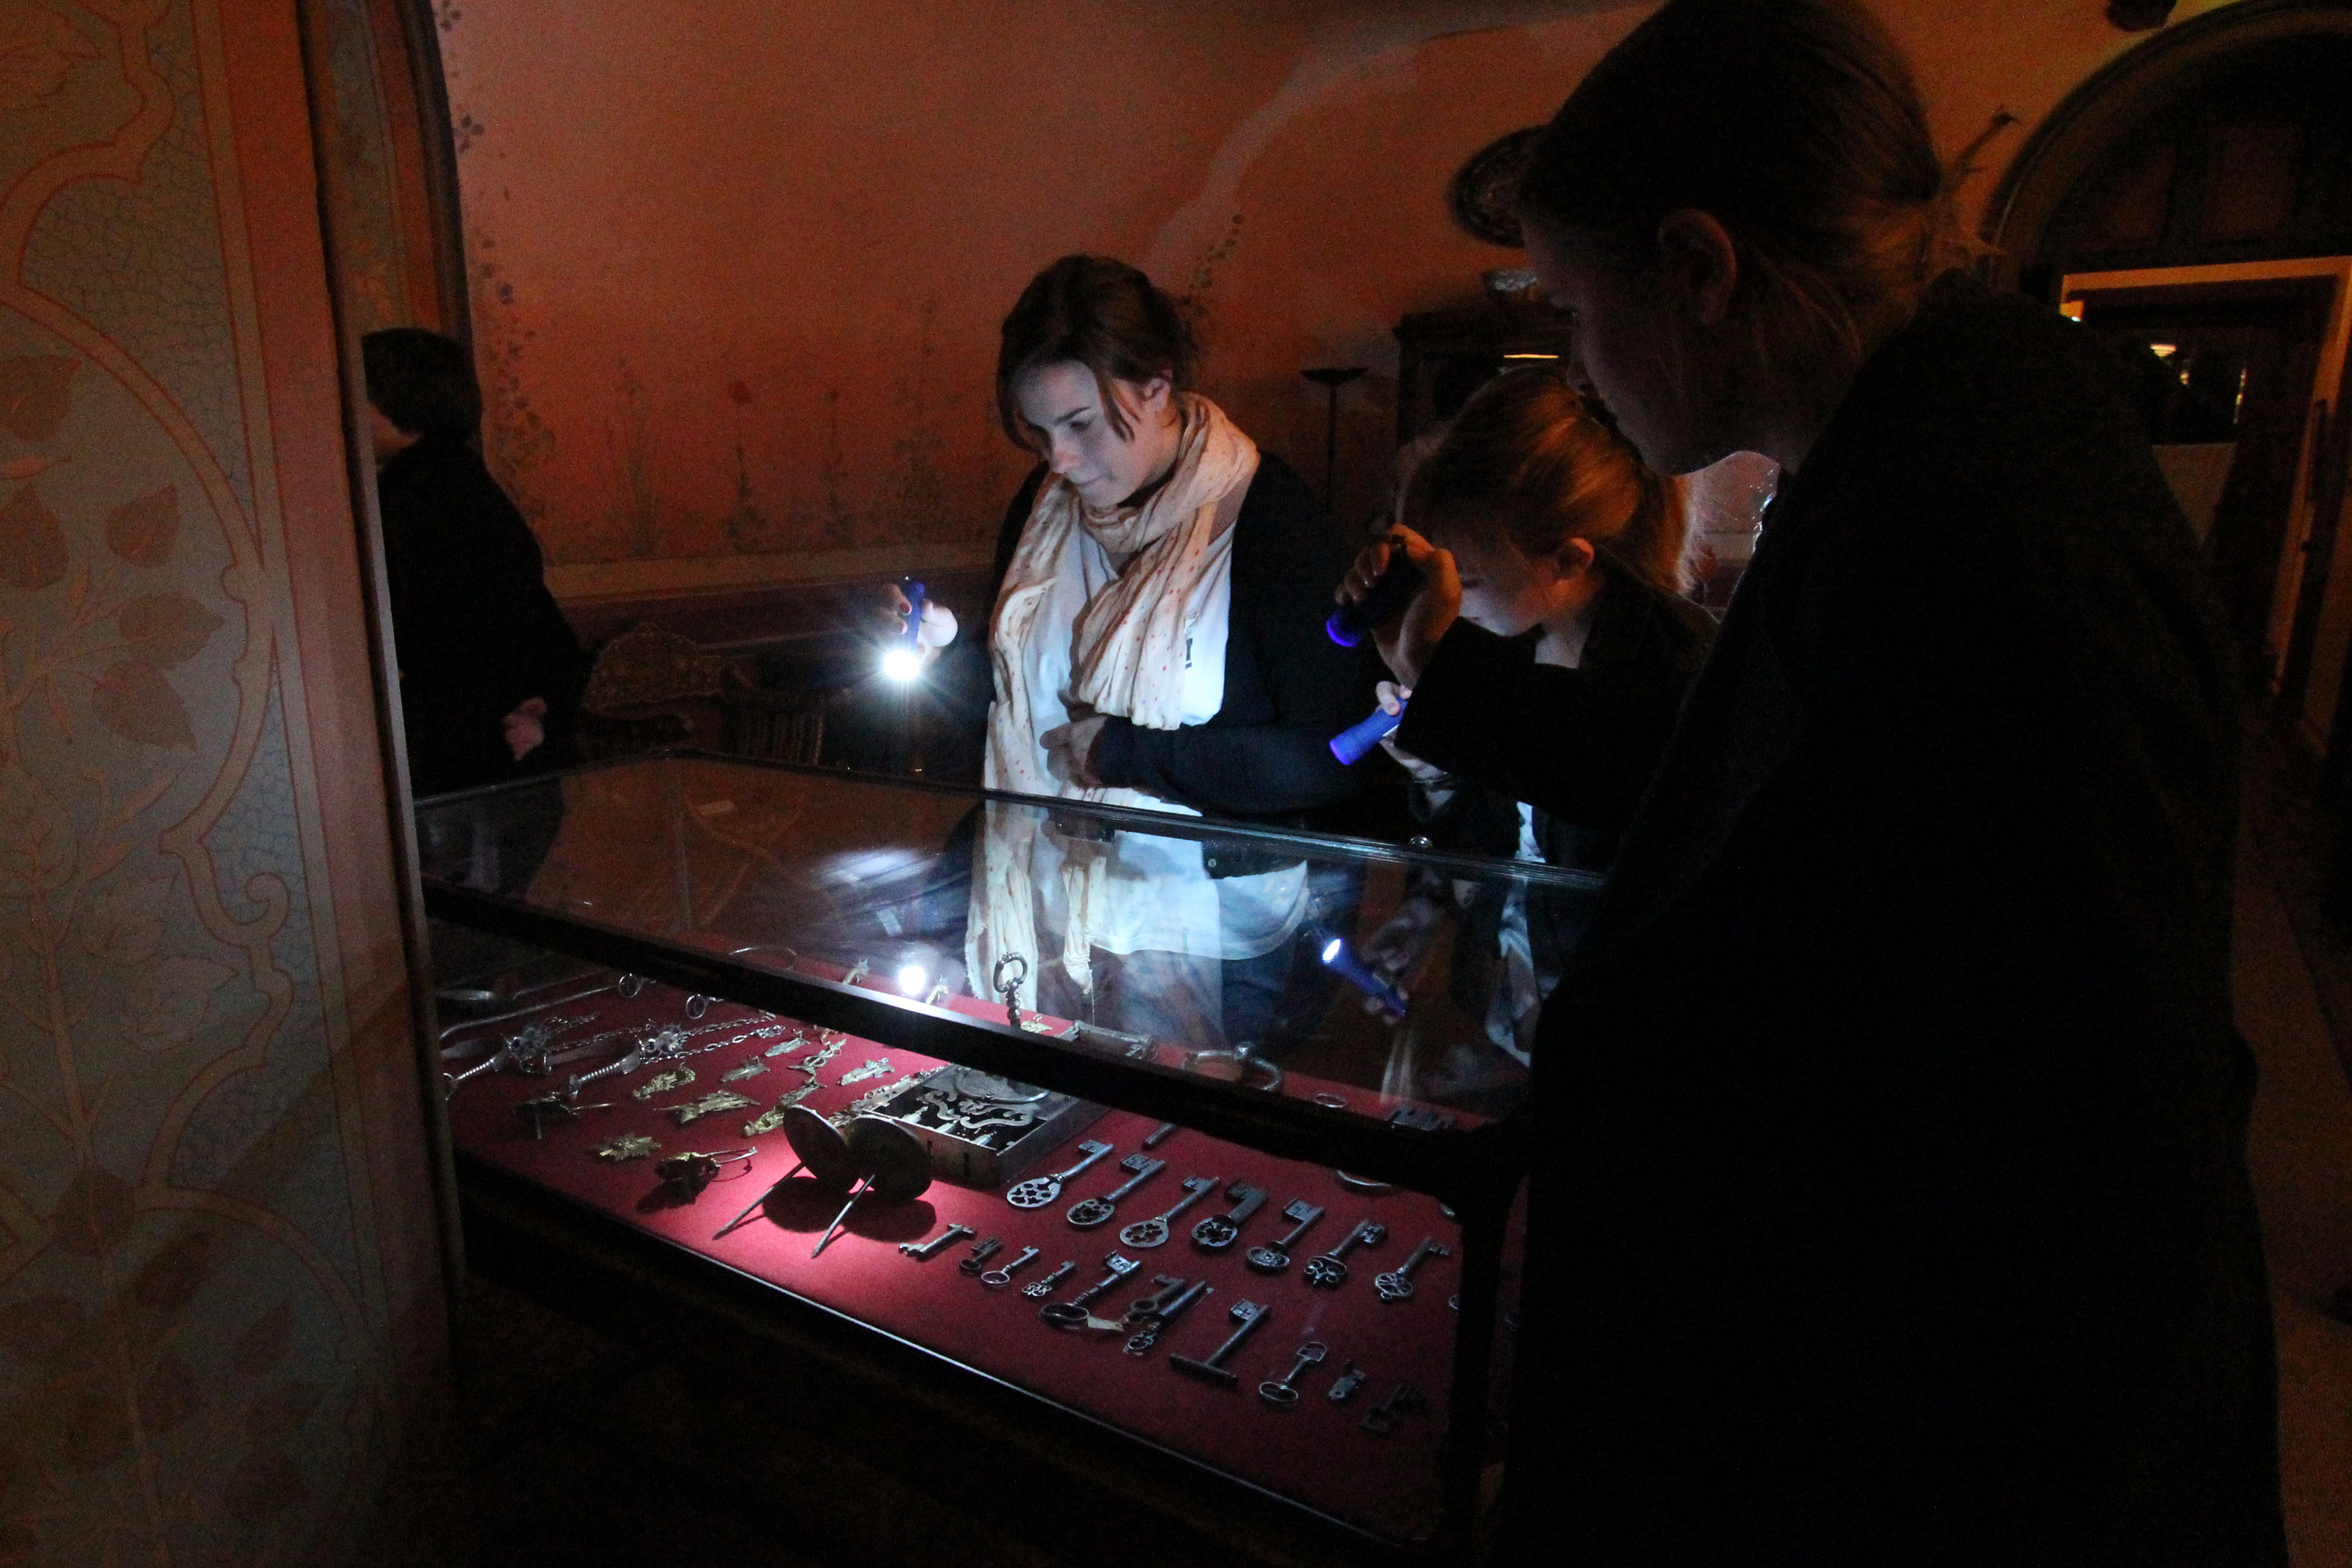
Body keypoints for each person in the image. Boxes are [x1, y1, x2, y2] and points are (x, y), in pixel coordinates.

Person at [1447, 2, 2283, 1563]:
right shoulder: (1908, 477)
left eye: (1572, 307)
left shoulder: (1985, 544)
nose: (1573, 363)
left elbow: (2081, 1168)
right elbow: (1757, 807)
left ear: (1697, 270)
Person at [962, 255, 1376, 1044]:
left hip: (1217, 935)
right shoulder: (1045, 506)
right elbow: (1010, 696)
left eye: (1080, 424)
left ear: (1156, 386)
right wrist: (948, 646)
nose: (1059, 461)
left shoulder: (1266, 519)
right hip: (1053, 909)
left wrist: (1123, 754)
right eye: (1039, 431)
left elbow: (1328, 757)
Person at [1338, 368, 1715, 1063]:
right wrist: (1431, 878)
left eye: (1468, 582)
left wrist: (1436, 675)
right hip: (1512, 1020)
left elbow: (1592, 795)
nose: (1454, 602)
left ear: (1569, 560)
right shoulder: (1514, 642)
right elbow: (1506, 839)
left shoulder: (1672, 679)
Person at [363, 328, 589, 799]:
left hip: (462, 749)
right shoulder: (465, 481)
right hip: (512, 735)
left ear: (394, 404)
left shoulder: (409, 496)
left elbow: (422, 635)